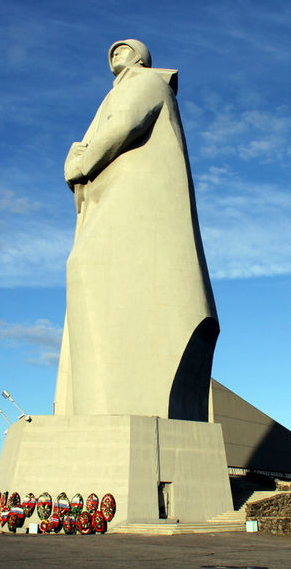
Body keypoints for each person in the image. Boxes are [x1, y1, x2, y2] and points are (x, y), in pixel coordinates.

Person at [54, 39, 219, 421]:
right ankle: (92, 407)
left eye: (124, 49)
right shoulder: (120, 89)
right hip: (116, 195)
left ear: (141, 57)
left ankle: (113, 403)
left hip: (134, 198)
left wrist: (79, 163)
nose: (115, 53)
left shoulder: (145, 83)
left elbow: (123, 125)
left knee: (89, 266)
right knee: (89, 272)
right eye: (112, 50)